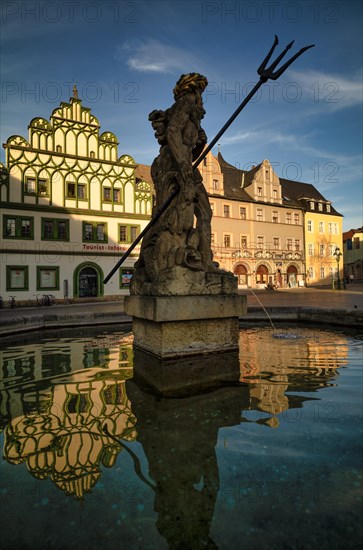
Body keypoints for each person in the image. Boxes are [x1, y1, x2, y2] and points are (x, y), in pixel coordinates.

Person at [133, 73, 216, 289]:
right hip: (171, 167)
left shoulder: (193, 117)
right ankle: (156, 259)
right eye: (200, 91)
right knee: (167, 216)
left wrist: (199, 144)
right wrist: (184, 170)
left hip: (184, 166)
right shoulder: (185, 102)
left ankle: (206, 261)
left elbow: (191, 151)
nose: (201, 97)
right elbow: (171, 132)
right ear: (193, 90)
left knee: (205, 212)